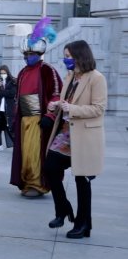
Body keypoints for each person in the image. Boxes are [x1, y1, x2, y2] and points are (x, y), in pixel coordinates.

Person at [44, 40, 106, 239]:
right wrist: (57, 106)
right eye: (65, 56)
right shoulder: (70, 76)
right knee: (50, 167)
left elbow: (98, 108)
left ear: (80, 56)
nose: (66, 60)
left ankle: (83, 224)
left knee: (82, 180)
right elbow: (67, 102)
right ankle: (62, 209)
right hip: (65, 134)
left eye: (69, 56)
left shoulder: (96, 78)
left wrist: (73, 109)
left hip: (85, 136)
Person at [10, 17, 62, 198]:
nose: (27, 57)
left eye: (31, 54)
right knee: (24, 153)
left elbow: (56, 93)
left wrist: (50, 115)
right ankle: (26, 182)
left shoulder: (47, 69)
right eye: (25, 55)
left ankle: (36, 184)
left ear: (38, 54)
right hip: (24, 118)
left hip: (38, 119)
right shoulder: (23, 71)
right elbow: (18, 97)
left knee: (34, 154)